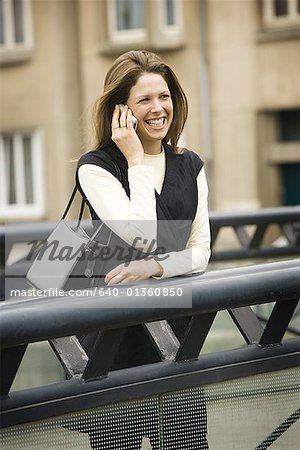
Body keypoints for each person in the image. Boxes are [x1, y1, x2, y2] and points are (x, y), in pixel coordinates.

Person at [76, 50, 210, 449]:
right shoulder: (96, 167)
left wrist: (154, 266)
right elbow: (140, 234)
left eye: (164, 96)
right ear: (122, 110)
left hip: (175, 342)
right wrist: (135, 158)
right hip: (115, 349)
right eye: (144, 100)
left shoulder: (191, 164)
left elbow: (201, 251)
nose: (158, 108)